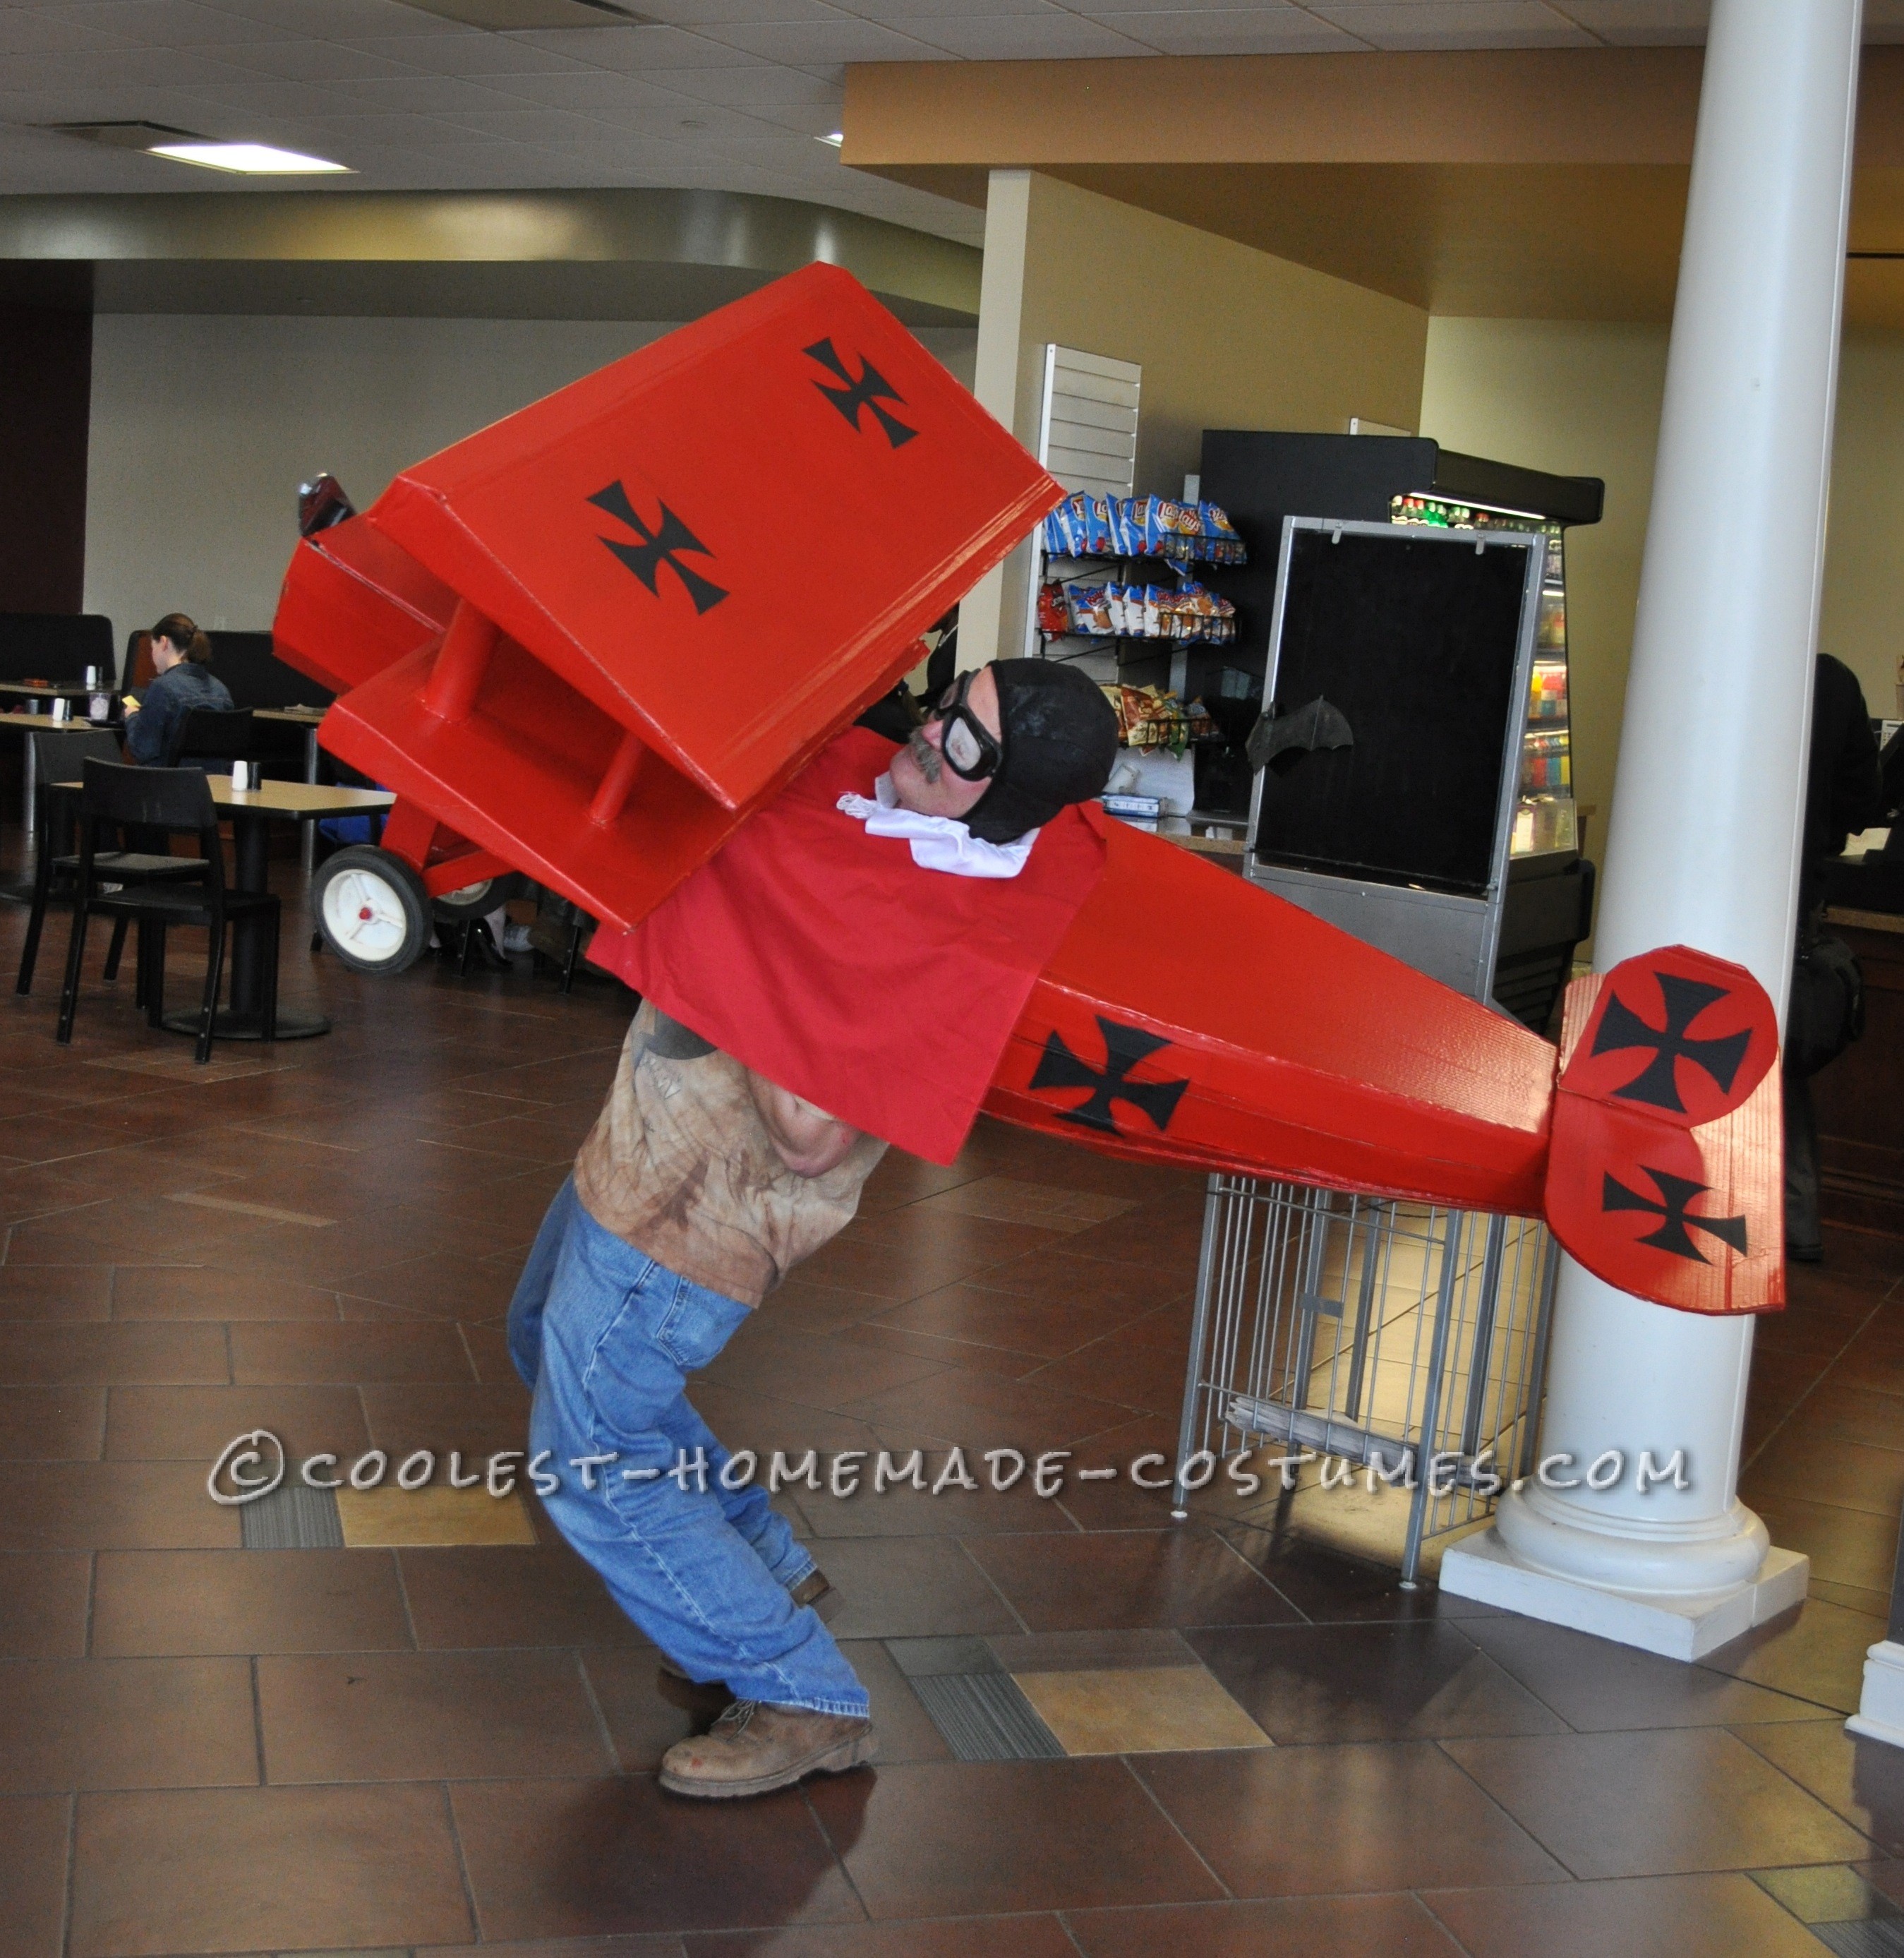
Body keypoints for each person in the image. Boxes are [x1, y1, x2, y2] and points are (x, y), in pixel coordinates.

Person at [506, 659, 1118, 1799]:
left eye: (967, 745)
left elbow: (810, 1134)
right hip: (641, 1158)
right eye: (946, 702)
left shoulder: (939, 919)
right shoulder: (882, 803)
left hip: (693, 1218)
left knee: (588, 1453)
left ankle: (801, 1692)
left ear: (1007, 795)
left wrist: (755, 894)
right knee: (542, 1333)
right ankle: (766, 1566)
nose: (931, 735)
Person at [1785, 652, 1885, 1261]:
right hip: (1794, 891)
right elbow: (1860, 800)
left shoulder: (1709, 655)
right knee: (1778, 1057)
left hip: (1693, 885)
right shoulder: (1831, 680)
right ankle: (1794, 1215)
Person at [123, 613, 234, 766]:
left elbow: (143, 750)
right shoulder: (221, 691)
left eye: (152, 648)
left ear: (164, 642)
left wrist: (133, 716)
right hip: (212, 785)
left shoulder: (162, 688)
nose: (152, 655)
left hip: (168, 784)